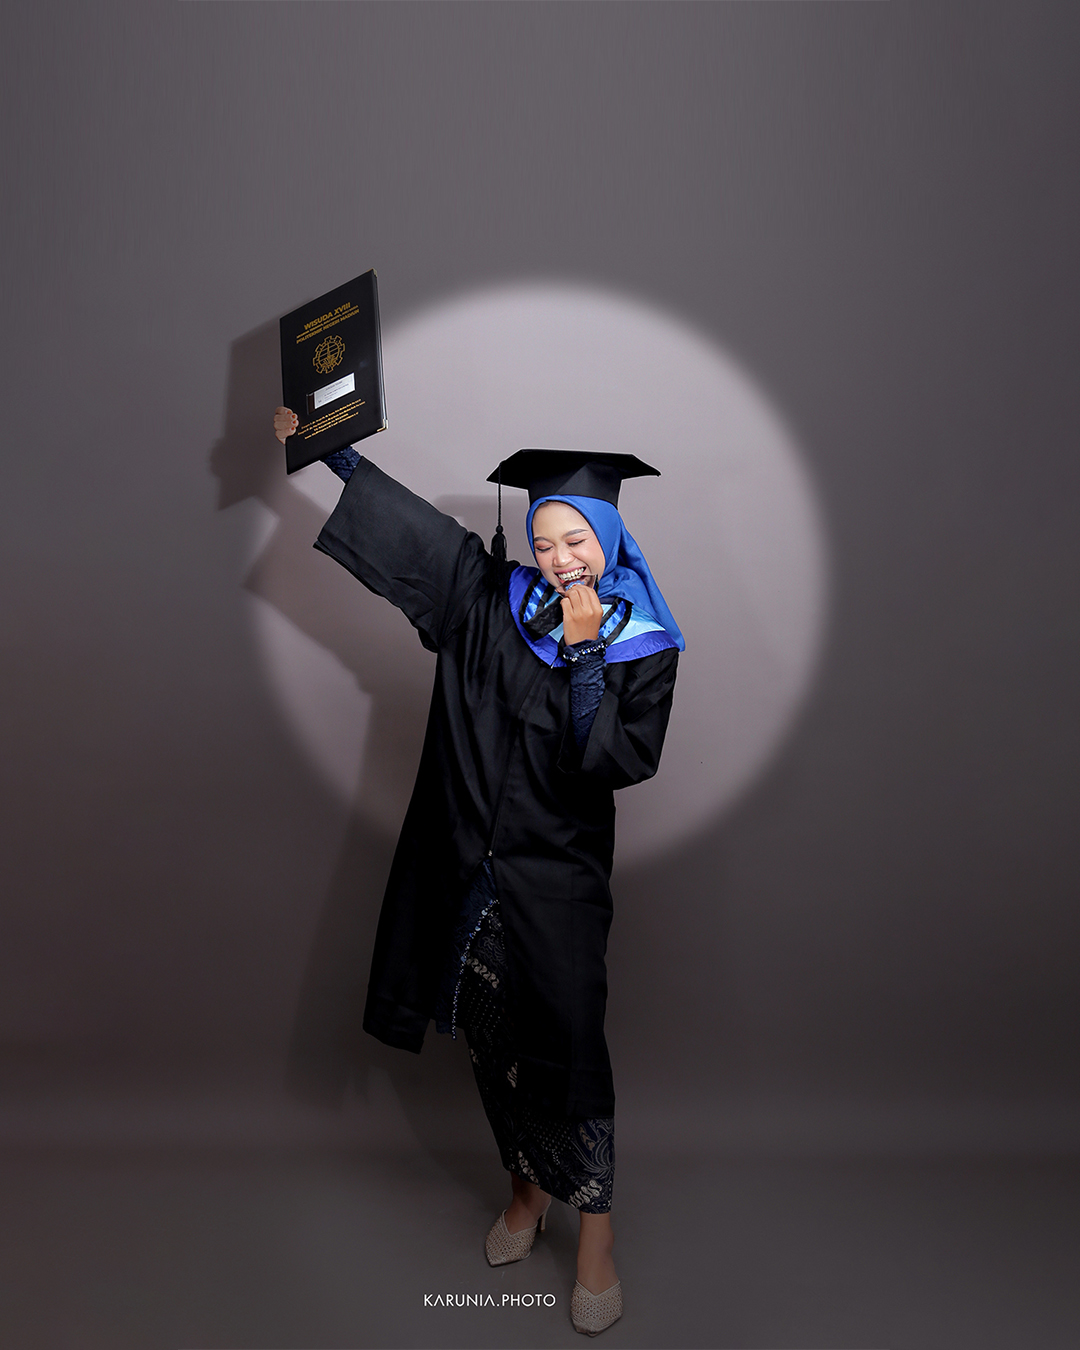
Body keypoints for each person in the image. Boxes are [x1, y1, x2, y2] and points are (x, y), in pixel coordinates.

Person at [274, 408, 683, 1336]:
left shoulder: (645, 641)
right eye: (543, 541)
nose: (559, 559)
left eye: (577, 540)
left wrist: (587, 653)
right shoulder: (485, 595)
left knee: (567, 1050)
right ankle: (528, 1191)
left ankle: (596, 1233)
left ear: (610, 535)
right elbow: (412, 533)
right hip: (464, 867)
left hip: (556, 886)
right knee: (494, 1045)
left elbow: (615, 762)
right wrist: (329, 444)